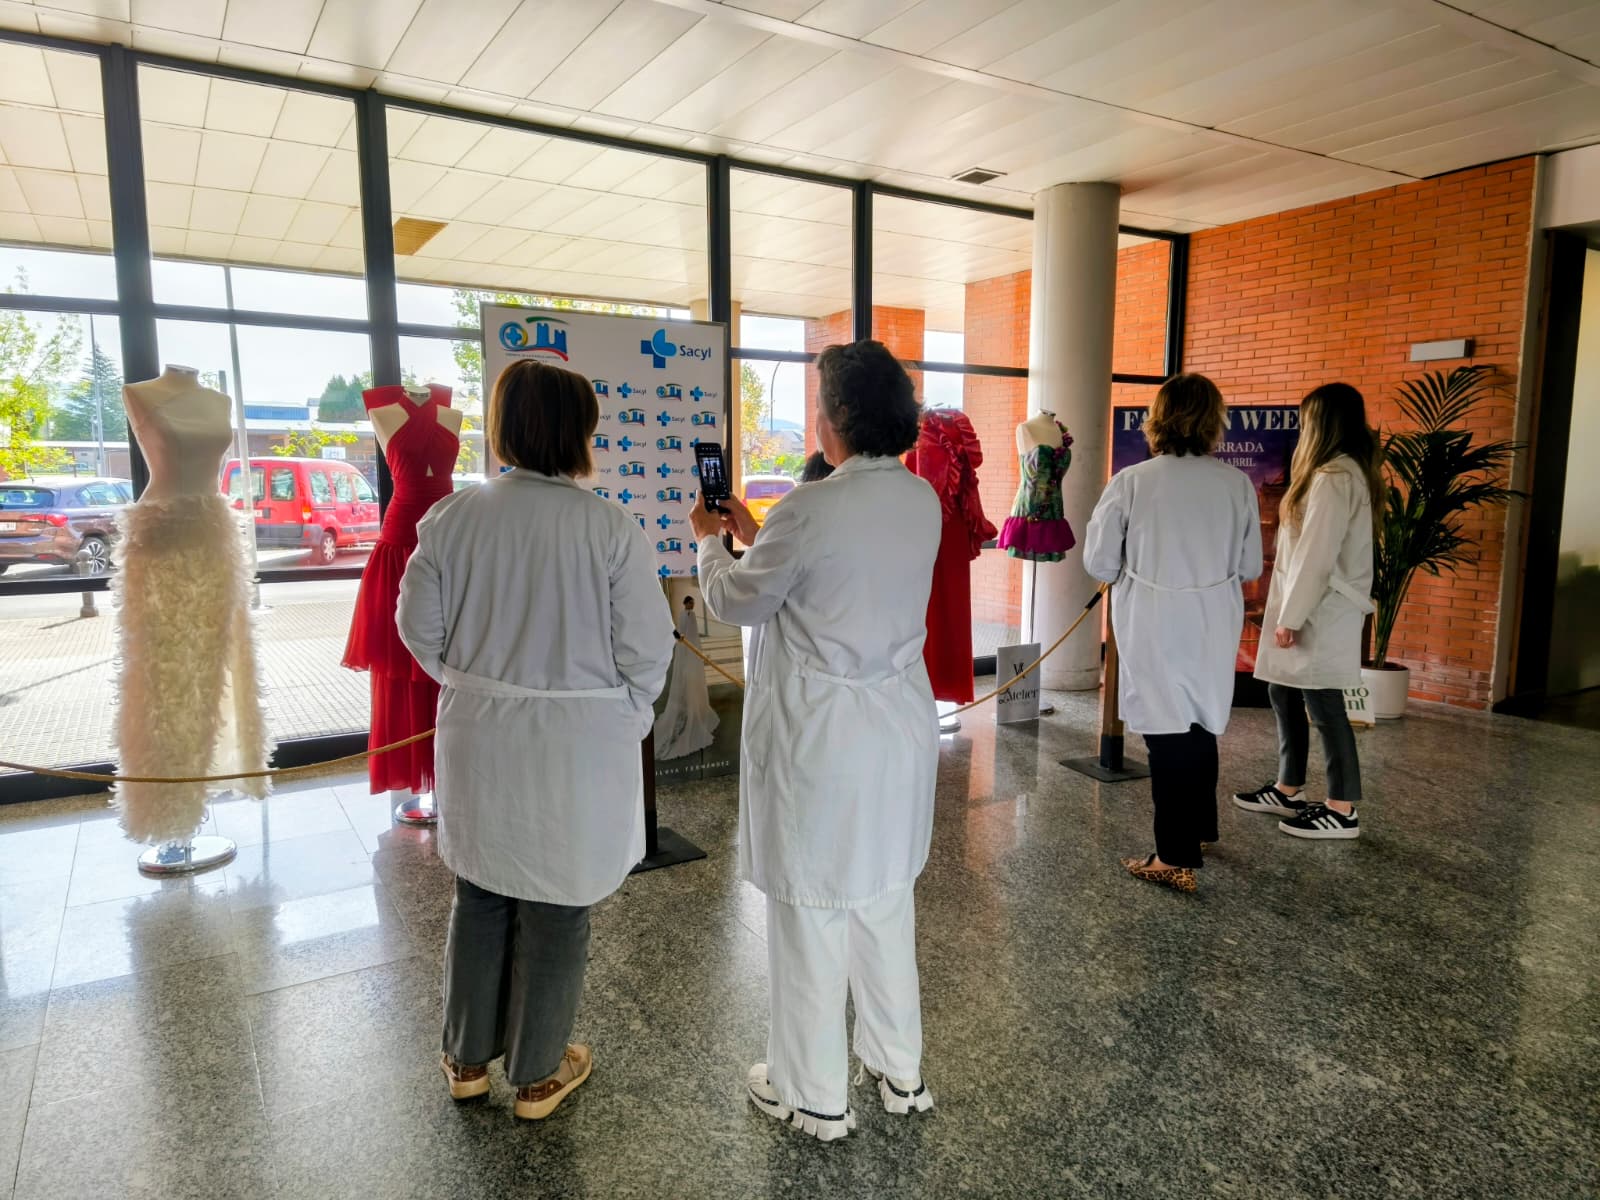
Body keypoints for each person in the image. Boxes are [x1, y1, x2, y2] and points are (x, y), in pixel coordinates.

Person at [398, 360, 673, 1121]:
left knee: (481, 890)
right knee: (560, 902)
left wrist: (471, 678)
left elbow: (417, 630)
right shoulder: (608, 527)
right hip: (579, 742)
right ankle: (541, 1073)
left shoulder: (453, 518)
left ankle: (465, 1059)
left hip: (481, 734)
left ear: (504, 427)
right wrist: (624, 712)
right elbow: (648, 650)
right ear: (580, 434)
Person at [689, 340, 941, 1142]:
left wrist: (708, 541)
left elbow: (741, 600)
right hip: (896, 727)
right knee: (881, 900)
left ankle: (811, 1094)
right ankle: (900, 1072)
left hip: (821, 740)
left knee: (811, 913)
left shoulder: (813, 507)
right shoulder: (919, 499)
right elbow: (838, 575)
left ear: (835, 418)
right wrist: (765, 532)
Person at [1083, 373, 1263, 893]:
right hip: (1213, 614)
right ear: (1214, 421)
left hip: (1154, 613)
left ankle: (1174, 856)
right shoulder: (1236, 484)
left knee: (1166, 729)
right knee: (1201, 717)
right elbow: (1250, 563)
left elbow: (1099, 561)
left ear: (1157, 419)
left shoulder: (1133, 481)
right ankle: (1201, 829)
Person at [1233, 383, 1381, 840]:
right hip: (1310, 601)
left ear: (1324, 423)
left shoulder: (1336, 478)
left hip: (1322, 608)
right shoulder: (1329, 473)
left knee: (1324, 703)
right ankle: (1289, 786)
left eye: (1307, 418)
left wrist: (1291, 617)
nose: (1302, 426)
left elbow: (1318, 554)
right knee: (1281, 691)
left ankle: (1342, 807)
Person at [654, 593, 720, 759]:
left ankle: (694, 705)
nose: (693, 605)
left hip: (689, 651)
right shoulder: (687, 615)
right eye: (691, 602)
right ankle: (691, 707)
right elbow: (686, 634)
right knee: (689, 679)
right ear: (686, 604)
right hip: (689, 651)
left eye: (693, 602)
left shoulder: (687, 615)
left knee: (690, 680)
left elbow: (687, 634)